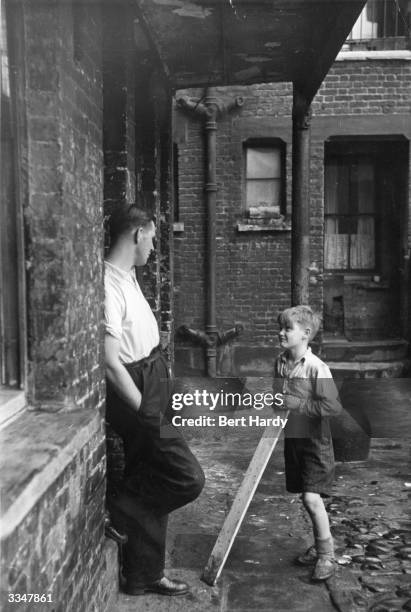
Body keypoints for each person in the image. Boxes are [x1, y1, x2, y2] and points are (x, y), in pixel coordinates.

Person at [104, 204, 205, 596]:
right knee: (185, 477)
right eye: (150, 237)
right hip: (135, 389)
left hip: (152, 377)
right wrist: (147, 411)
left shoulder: (127, 275)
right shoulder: (107, 284)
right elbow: (110, 363)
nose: (153, 247)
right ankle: (120, 511)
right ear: (136, 234)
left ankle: (143, 575)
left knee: (152, 472)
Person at [273, 305, 342, 581]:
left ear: (306, 334)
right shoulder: (280, 361)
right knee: (306, 496)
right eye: (280, 328)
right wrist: (276, 401)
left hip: (315, 441)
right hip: (294, 439)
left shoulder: (316, 367)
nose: (281, 333)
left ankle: (327, 555)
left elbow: (333, 407)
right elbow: (277, 394)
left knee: (311, 497)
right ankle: (318, 545)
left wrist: (297, 403)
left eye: (287, 329)